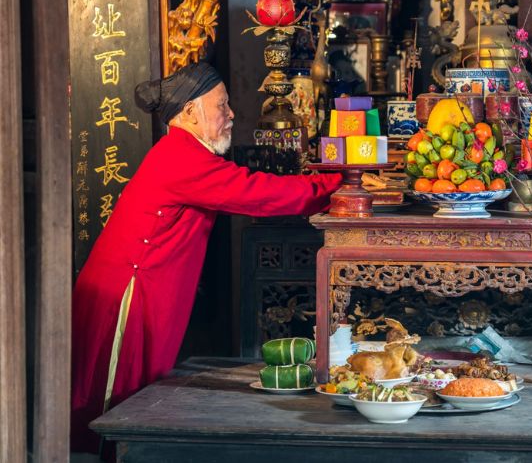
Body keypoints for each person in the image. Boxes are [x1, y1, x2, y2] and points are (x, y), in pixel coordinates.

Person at [70, 62, 341, 452]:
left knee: (135, 391)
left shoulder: (185, 153)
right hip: (128, 292)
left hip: (145, 287)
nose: (231, 114)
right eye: (222, 105)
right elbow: (259, 194)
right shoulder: (181, 157)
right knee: (116, 400)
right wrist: (337, 183)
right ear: (190, 112)